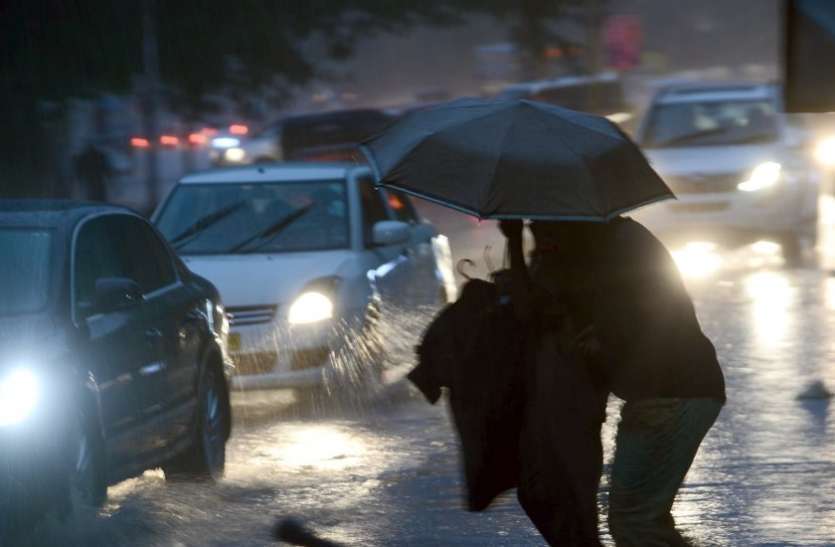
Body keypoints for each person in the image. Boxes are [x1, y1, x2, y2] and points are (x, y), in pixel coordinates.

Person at [500, 217, 725, 546]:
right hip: (666, 394)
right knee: (640, 517)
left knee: (635, 520)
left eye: (540, 224)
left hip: (672, 395)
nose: (537, 231)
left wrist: (519, 247)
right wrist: (517, 244)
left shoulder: (601, 247)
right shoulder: (602, 239)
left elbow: (537, 308)